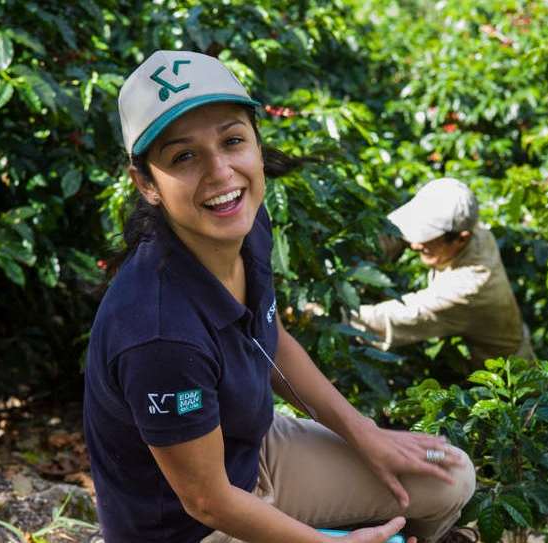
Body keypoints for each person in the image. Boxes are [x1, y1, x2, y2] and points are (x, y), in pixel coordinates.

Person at [83, 50, 476, 543]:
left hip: (254, 455)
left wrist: (365, 434)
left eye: (232, 140)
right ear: (146, 183)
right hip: (191, 528)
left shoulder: (244, 227)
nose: (222, 172)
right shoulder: (159, 332)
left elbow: (268, 337)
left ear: (256, 143)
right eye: (184, 156)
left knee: (448, 476)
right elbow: (207, 500)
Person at [350, 178, 534, 367]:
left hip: (507, 376)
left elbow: (387, 320)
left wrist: (327, 313)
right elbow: (396, 233)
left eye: (426, 236)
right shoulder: (466, 225)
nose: (414, 244)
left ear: (461, 239)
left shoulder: (469, 288)